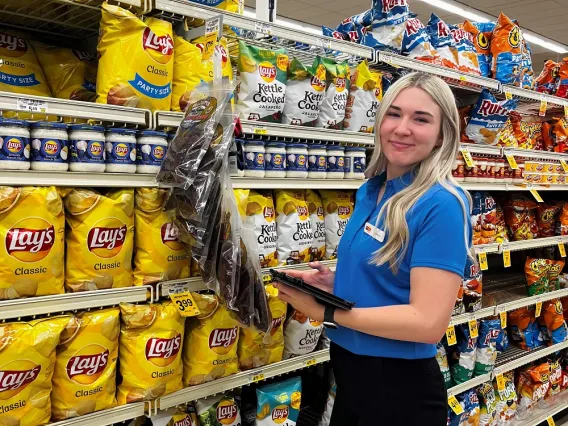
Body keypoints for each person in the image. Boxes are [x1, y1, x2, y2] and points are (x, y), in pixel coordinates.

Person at [275, 72, 473, 425]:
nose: (401, 128)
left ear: (443, 134)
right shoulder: (373, 189)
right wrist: (335, 285)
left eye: (421, 119)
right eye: (393, 114)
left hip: (399, 388)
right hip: (352, 374)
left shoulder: (442, 204)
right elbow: (388, 282)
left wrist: (328, 313)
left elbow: (428, 323)